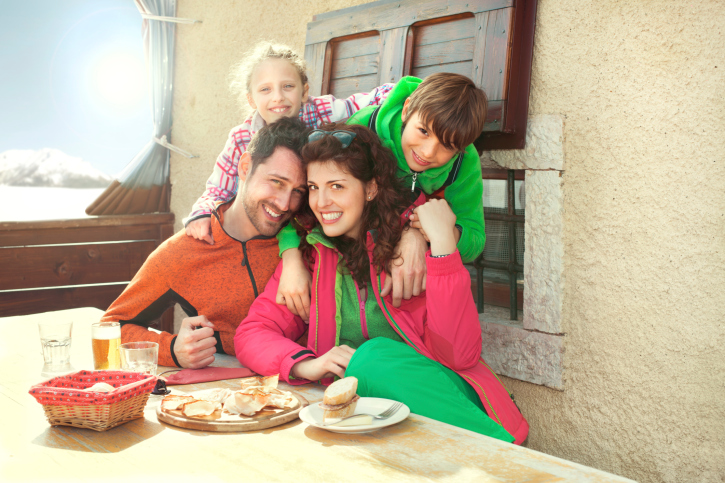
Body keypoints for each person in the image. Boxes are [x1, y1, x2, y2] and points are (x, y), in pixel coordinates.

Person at [234, 123, 528, 444]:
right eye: (314, 188)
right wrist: (306, 364)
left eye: (337, 186)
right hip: (377, 429)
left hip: (453, 409)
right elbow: (252, 333)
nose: (322, 202)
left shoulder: (411, 252)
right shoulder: (311, 257)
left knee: (370, 358)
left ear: (370, 189)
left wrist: (443, 245)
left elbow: (461, 356)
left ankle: (509, 459)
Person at [102, 118, 308, 369]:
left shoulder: (310, 239)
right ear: (244, 167)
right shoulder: (183, 252)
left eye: (298, 191)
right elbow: (111, 328)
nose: (285, 204)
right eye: (277, 182)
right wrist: (172, 350)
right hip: (232, 397)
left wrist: (294, 255)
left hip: (313, 390)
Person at [275, 72, 489, 316]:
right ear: (407, 109)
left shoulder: (464, 163)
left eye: (447, 146)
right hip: (349, 257)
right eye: (423, 131)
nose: (429, 152)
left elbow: (475, 238)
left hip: (402, 280)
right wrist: (291, 258)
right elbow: (305, 199)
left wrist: (430, 233)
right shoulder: (362, 129)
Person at [183, 41, 394, 242]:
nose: (278, 97)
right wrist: (201, 214)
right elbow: (218, 189)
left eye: (288, 86)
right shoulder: (242, 137)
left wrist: (412, 98)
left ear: (304, 92)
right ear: (251, 99)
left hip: (316, 212)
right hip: (273, 219)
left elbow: (377, 97)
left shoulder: (321, 111)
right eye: (265, 89)